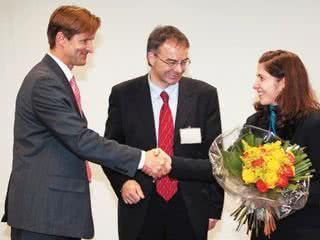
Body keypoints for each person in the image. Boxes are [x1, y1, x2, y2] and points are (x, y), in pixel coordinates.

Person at [1, 5, 171, 240]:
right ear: (61, 39)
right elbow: (81, 139)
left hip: (53, 214)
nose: (90, 48)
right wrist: (142, 159)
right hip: (43, 214)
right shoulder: (45, 82)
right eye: (85, 41)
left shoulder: (56, 78)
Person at [102, 25, 224, 240]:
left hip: (190, 207)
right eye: (171, 62)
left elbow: (216, 158)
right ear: (151, 57)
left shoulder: (204, 95)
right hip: (140, 205)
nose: (178, 69)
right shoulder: (124, 94)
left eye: (184, 62)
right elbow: (110, 149)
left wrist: (214, 208)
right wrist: (123, 182)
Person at [246, 50, 320, 240]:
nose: (255, 85)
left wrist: (283, 196)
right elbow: (237, 166)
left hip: (303, 230)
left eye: (261, 78)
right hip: (262, 231)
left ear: (284, 82)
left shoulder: (314, 123)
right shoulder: (255, 121)